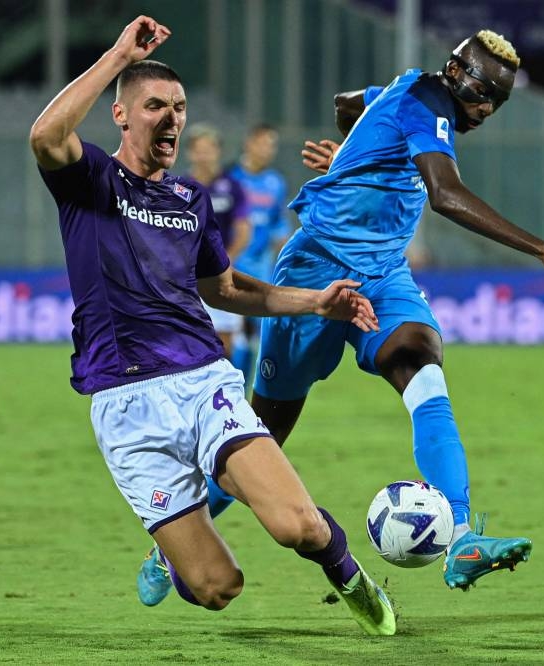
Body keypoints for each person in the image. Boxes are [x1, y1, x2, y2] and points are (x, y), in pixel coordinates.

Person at [28, 16, 394, 635]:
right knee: (217, 587)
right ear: (121, 116)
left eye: (179, 107)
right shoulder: (91, 181)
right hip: (124, 407)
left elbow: (226, 289)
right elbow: (45, 134)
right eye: (154, 106)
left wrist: (316, 302)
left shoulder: (190, 200)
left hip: (202, 383)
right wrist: (118, 56)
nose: (171, 118)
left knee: (297, 527)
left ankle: (350, 576)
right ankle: (174, 555)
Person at [209, 30, 544, 591]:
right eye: (483, 93)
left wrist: (354, 157)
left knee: (423, 364)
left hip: (384, 273)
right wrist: (543, 250)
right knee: (265, 433)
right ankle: (178, 540)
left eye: (498, 100)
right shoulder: (427, 101)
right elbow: (445, 194)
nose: (486, 109)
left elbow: (349, 105)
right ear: (457, 76)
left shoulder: (409, 90)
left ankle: (461, 538)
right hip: (316, 269)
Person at [226, 124, 291, 386]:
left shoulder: (276, 183)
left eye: (272, 145)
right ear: (249, 143)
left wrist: (283, 255)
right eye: (263, 143)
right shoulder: (231, 179)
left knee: (260, 335)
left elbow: (279, 224)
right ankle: (231, 390)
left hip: (262, 268)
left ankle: (251, 391)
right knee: (233, 333)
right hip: (232, 265)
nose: (268, 150)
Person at [184, 123, 251, 358]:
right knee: (190, 341)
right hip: (187, 277)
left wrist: (226, 260)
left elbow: (243, 229)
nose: (204, 155)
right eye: (199, 150)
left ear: (218, 152)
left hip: (222, 276)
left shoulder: (232, 187)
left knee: (225, 344)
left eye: (208, 149)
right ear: (190, 153)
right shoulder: (179, 188)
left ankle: (228, 380)